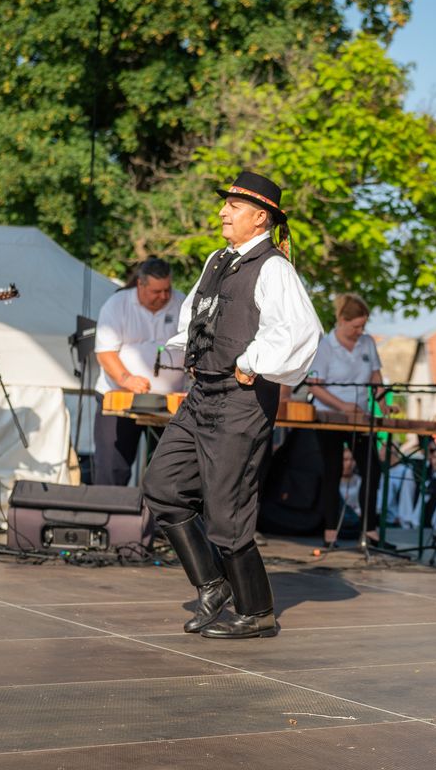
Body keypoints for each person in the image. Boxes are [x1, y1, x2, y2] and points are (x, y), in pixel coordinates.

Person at [141, 171, 321, 639]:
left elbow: (301, 330)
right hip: (202, 394)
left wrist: (252, 361)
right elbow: (196, 315)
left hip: (241, 400)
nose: (223, 212)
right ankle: (213, 585)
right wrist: (188, 353)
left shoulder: (274, 268)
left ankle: (257, 612)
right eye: (226, 205)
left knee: (228, 509)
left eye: (234, 206)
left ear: (259, 218)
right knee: (162, 485)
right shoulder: (218, 259)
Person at [308, 293, 395, 549]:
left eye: (363, 326)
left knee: (372, 469)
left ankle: (369, 531)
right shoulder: (325, 345)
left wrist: (382, 402)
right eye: (356, 326)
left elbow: (375, 377)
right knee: (333, 470)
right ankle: (330, 533)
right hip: (330, 416)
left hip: (360, 417)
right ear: (342, 321)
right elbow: (315, 386)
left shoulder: (367, 343)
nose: (360, 331)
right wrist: (343, 405)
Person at [92, 258, 186, 486]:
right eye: (156, 291)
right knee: (113, 468)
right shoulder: (117, 304)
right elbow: (105, 352)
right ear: (140, 285)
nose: (163, 296)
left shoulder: (182, 302)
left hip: (170, 403)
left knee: (168, 473)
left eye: (167, 290)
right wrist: (127, 379)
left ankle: (154, 511)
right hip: (120, 398)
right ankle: (110, 508)